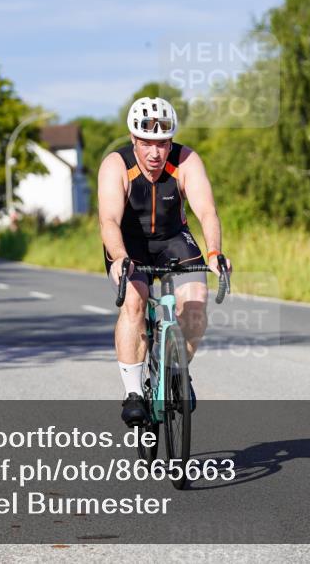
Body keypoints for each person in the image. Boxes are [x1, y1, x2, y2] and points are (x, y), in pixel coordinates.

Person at [97, 96, 232, 426]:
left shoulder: (186, 160)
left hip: (174, 240)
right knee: (134, 302)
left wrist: (214, 251)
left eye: (163, 143)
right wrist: (121, 258)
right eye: (147, 143)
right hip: (129, 244)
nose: (156, 153)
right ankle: (133, 393)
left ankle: (175, 371)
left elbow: (207, 212)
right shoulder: (116, 164)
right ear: (133, 139)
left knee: (196, 305)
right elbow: (109, 222)